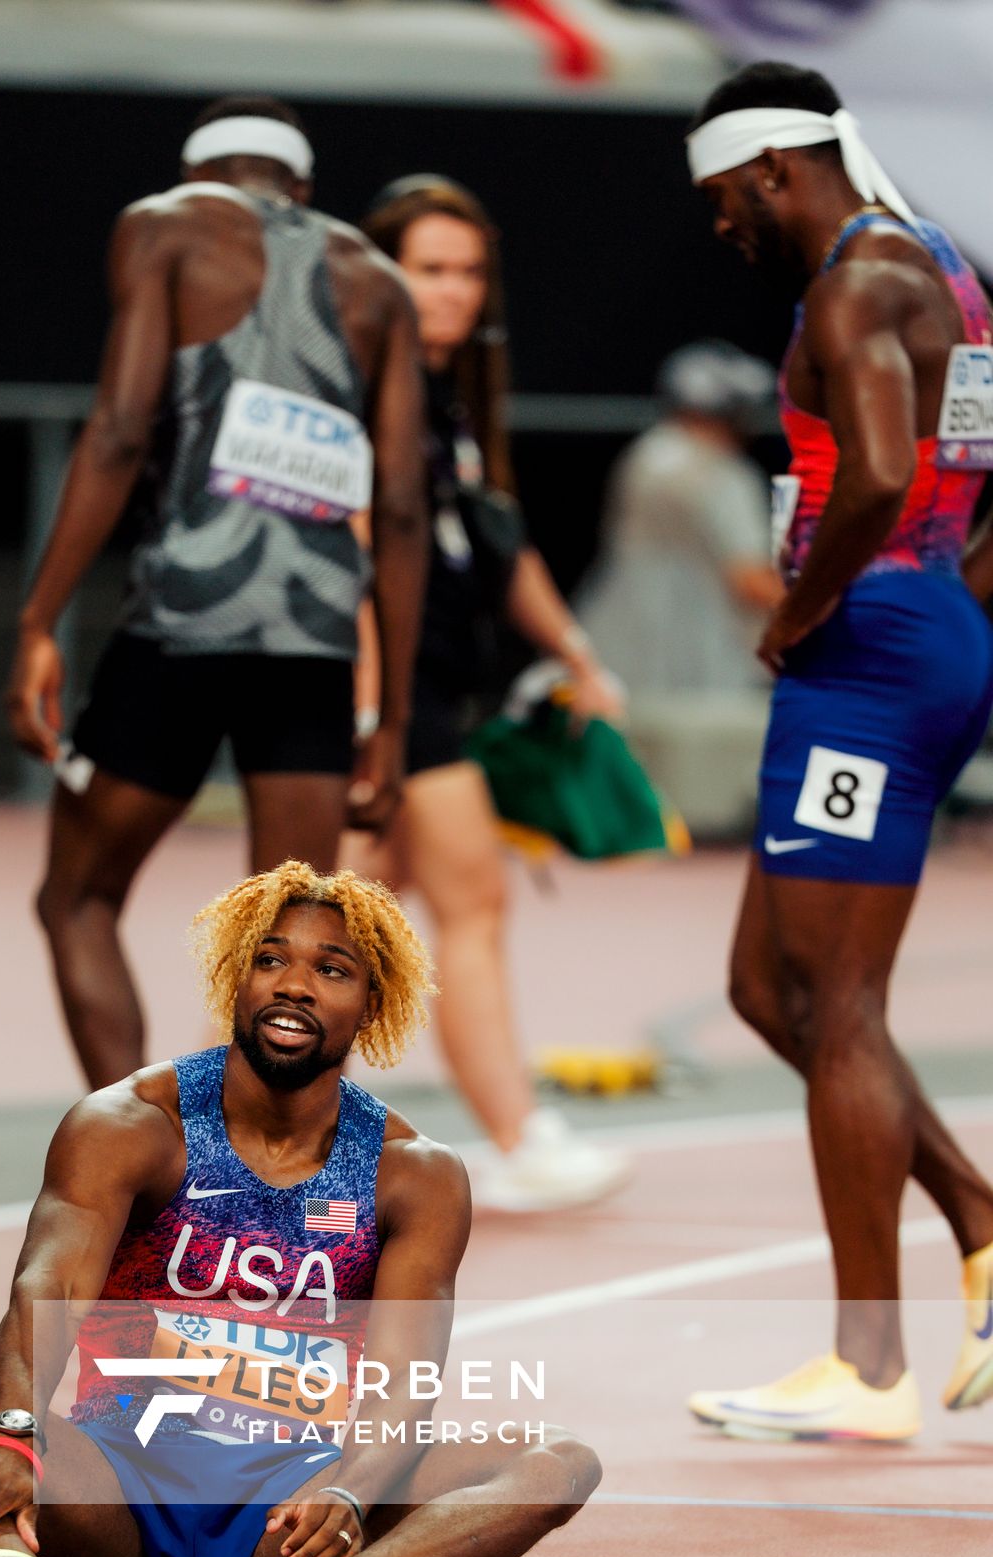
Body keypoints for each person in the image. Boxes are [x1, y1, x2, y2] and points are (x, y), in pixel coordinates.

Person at [0, 862, 601, 1557]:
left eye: (331, 970)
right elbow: (50, 1283)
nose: (295, 986)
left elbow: (403, 1380)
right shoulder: (133, 1123)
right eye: (270, 960)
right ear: (235, 980)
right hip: (115, 1493)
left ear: (372, 1005)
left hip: (288, 1515)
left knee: (560, 1462)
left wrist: (349, 1489)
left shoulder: (412, 1173)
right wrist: (19, 1435)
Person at [683, 61, 993, 1440]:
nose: (720, 229)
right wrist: (953, 615)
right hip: (920, 636)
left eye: (722, 200)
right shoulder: (948, 269)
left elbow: (872, 472)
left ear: (770, 168)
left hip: (862, 658)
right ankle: (982, 1221)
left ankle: (869, 1367)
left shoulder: (854, 286)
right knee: (768, 987)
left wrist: (807, 614)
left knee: (842, 1000)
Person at [7, 97, 429, 1088]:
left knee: (75, 898)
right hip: (313, 647)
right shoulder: (378, 283)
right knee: (294, 946)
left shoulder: (164, 225)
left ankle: (140, 1148)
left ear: (197, 171)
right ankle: (266, 1184)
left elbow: (117, 431)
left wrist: (36, 620)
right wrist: (392, 719)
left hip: (182, 624)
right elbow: (402, 506)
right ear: (304, 188)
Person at [345, 174, 631, 1212]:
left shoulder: (448, 402)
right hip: (384, 700)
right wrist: (372, 713)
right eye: (429, 270)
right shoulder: (364, 394)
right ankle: (515, 1136)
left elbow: (497, 545)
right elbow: (354, 555)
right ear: (379, 274)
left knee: (328, 933)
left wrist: (575, 651)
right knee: (421, 912)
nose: (454, 293)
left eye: (469, 273)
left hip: (435, 694)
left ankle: (191, 1143)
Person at [574, 340, 783, 698]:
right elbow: (748, 580)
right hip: (701, 654)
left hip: (617, 640)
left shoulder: (644, 456)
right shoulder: (723, 475)